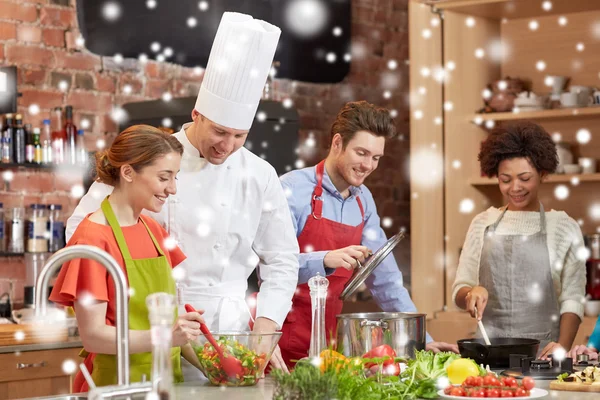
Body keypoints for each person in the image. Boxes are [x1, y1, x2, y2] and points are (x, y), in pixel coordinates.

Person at [65, 12, 298, 379]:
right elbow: (82, 232)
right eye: (221, 132)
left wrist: (264, 336)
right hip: (160, 335)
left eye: (240, 136)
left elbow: (282, 260)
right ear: (197, 114)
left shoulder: (260, 174)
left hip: (237, 331)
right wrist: (132, 312)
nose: (229, 145)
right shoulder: (151, 157)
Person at [276, 101, 458, 368]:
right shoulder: (292, 190)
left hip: (329, 343)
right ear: (337, 143)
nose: (368, 165)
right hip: (282, 337)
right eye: (361, 153)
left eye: (376, 158)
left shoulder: (363, 201)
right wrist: (325, 259)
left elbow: (386, 280)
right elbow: (270, 268)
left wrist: (422, 341)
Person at [49, 125, 205, 390]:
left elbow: (171, 327)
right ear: (128, 172)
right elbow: (94, 337)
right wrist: (165, 336)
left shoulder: (153, 230)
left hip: (164, 385)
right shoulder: (93, 239)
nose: (173, 189)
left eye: (175, 177)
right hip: (115, 387)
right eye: (164, 177)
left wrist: (216, 365)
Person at [453, 121, 586, 359]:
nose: (515, 188)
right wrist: (471, 293)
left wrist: (562, 348)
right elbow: (459, 289)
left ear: (543, 173)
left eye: (525, 178)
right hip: (486, 356)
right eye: (505, 179)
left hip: (543, 357)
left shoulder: (564, 227)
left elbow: (572, 299)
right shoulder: (482, 223)